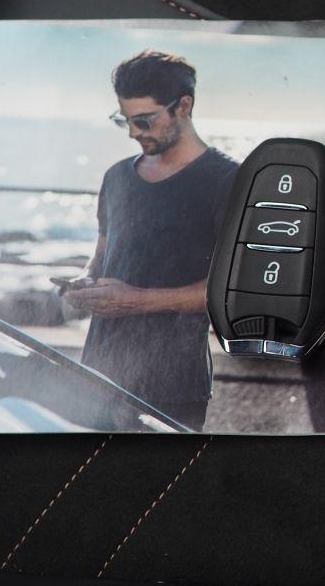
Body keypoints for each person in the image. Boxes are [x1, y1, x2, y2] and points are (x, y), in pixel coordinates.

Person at [65, 51, 237, 430]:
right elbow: (103, 254)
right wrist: (84, 282)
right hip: (97, 375)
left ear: (183, 106)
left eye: (144, 121)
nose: (133, 133)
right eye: (124, 120)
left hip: (173, 387)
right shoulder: (116, 177)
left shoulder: (228, 181)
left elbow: (232, 289)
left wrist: (137, 301)